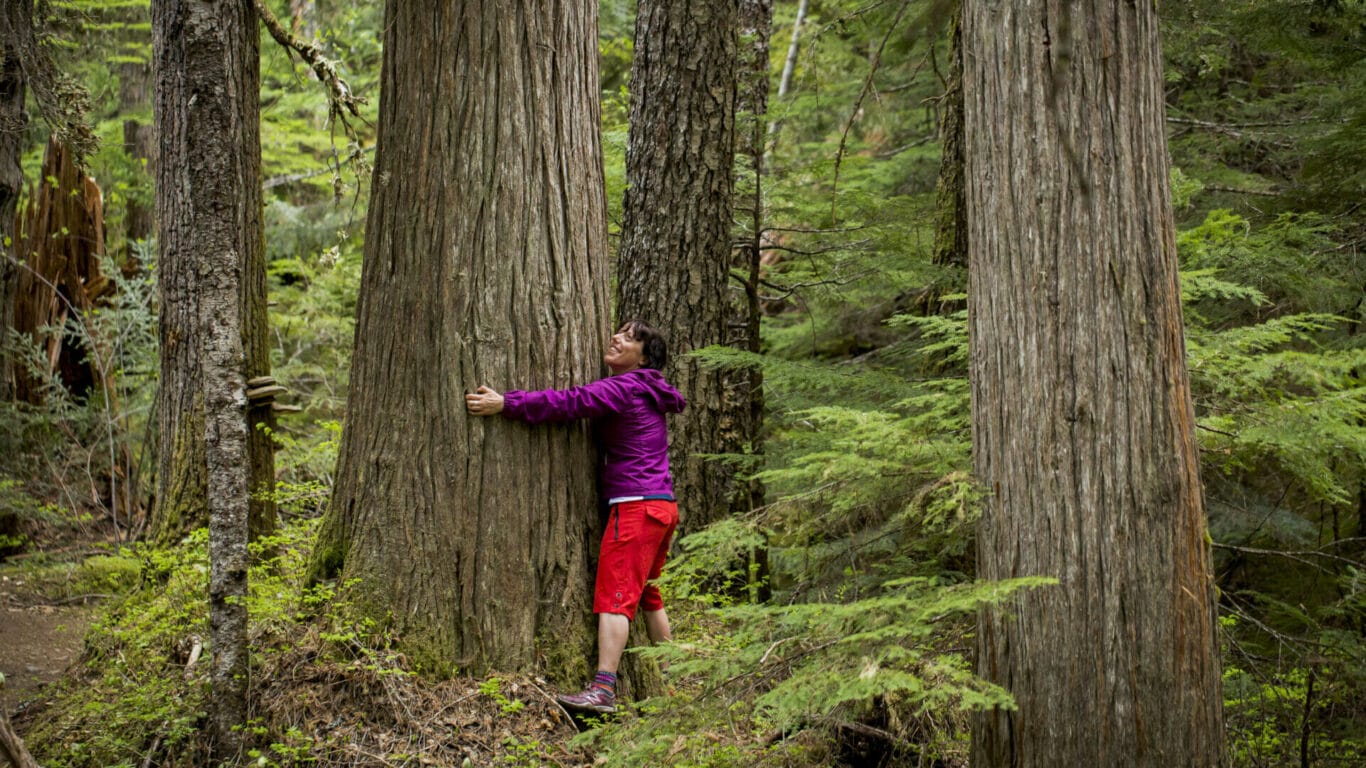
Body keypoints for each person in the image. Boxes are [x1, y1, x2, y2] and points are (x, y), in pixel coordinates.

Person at [464, 320, 685, 714]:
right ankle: (673, 684)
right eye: (618, 331)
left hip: (636, 506)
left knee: (615, 598)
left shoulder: (624, 387)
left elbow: (568, 402)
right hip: (662, 506)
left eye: (630, 338)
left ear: (644, 357)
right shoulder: (649, 389)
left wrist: (507, 404)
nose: (616, 337)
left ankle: (603, 689)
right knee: (648, 594)